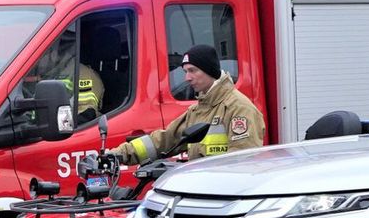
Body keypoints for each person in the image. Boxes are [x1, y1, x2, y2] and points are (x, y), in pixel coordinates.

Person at [110, 44, 264, 164]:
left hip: (222, 199)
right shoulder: (197, 111)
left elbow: (243, 163)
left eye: (192, 70)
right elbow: (165, 140)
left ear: (210, 71)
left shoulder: (239, 108)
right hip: (200, 193)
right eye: (185, 72)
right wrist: (117, 155)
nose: (187, 78)